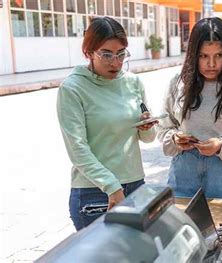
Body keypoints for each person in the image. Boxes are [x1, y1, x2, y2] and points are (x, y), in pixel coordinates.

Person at [57, 17, 158, 231]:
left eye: (121, 53)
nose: (116, 62)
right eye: (106, 54)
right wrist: (112, 186)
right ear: (88, 52)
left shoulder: (132, 82)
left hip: (135, 185)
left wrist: (147, 127)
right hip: (95, 192)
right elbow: (77, 149)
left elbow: (148, 139)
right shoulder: (73, 89)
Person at [157, 17, 222, 200]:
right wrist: (175, 138)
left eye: (219, 55)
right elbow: (163, 127)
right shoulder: (178, 84)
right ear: (193, 54)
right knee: (183, 227)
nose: (212, 64)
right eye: (203, 56)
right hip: (183, 178)